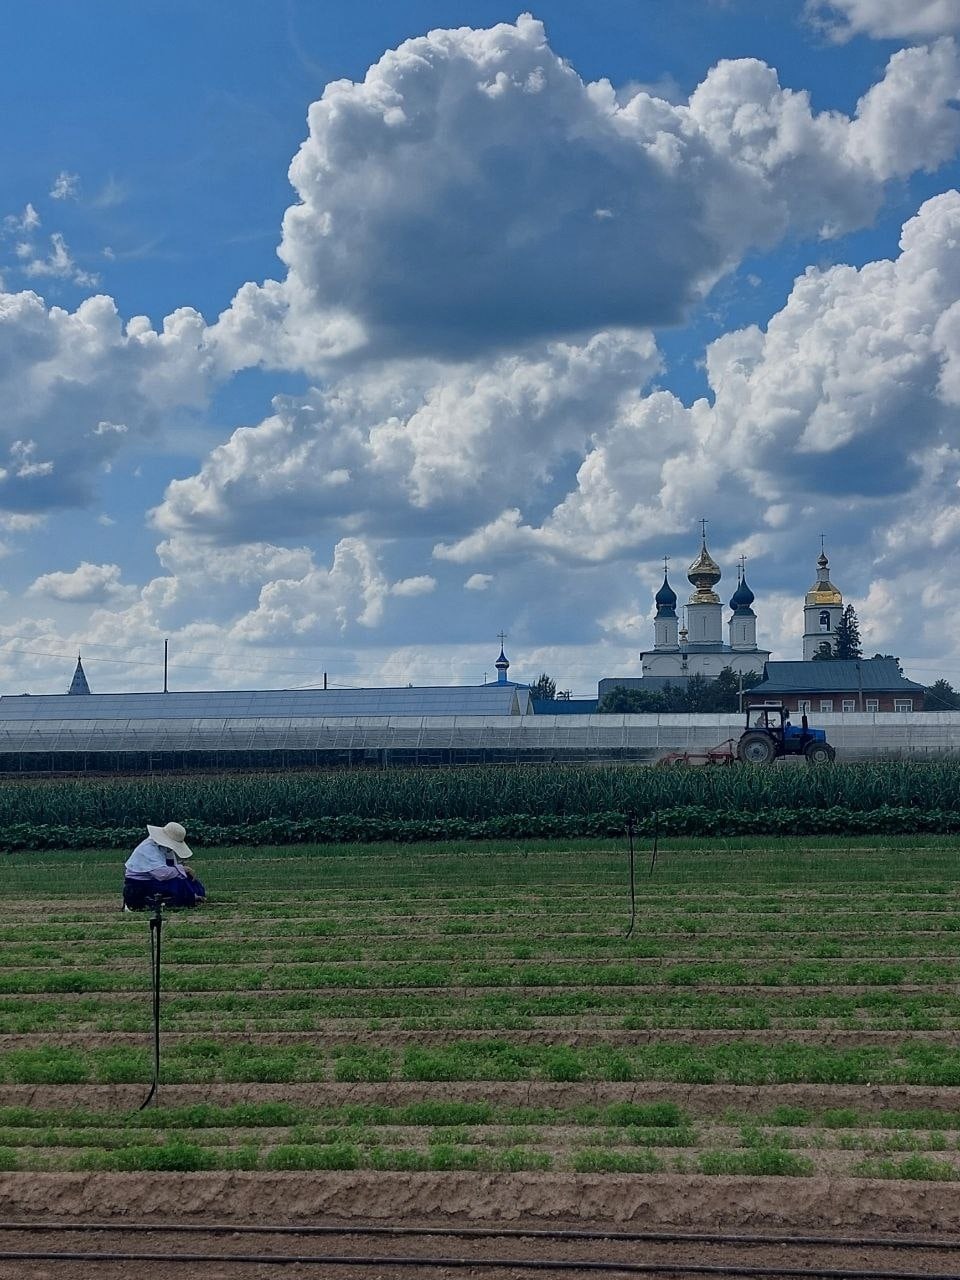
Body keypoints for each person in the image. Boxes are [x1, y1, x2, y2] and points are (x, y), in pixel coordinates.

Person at [123, 821, 206, 911]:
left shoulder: (165, 849)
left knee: (189, 880)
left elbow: (172, 867)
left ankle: (191, 896)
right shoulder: (148, 848)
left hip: (155, 881)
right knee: (179, 883)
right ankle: (186, 898)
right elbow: (162, 874)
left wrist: (183, 872)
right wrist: (183, 869)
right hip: (140, 884)